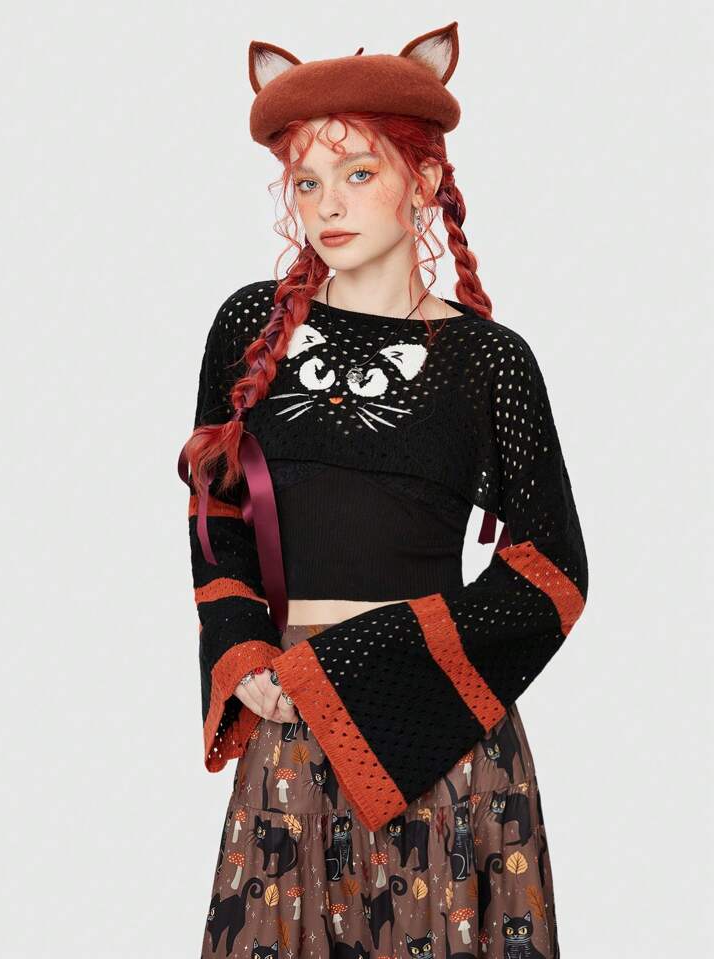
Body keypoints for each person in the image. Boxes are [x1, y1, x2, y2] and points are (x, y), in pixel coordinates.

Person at [178, 22, 587, 959]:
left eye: (359, 173)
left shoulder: (489, 361)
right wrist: (243, 652)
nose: (328, 205)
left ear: (425, 180)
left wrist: (363, 654)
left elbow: (552, 574)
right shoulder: (250, 328)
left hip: (439, 730)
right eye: (307, 182)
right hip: (289, 723)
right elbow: (216, 515)